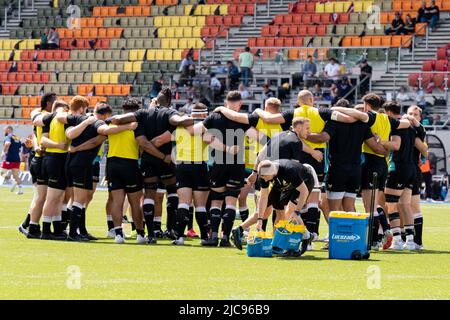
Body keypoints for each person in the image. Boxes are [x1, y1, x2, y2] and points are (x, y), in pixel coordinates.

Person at [110, 88, 194, 244]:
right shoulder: (169, 113)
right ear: (168, 102)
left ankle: (150, 234)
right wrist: (188, 118)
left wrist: (121, 120)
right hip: (167, 160)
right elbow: (181, 122)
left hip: (148, 160)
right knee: (172, 191)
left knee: (149, 194)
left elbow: (116, 119)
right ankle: (172, 230)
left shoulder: (142, 114)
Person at [57, 101, 135, 242]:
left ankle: (81, 230)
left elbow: (60, 117)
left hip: (75, 162)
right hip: (81, 163)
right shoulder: (99, 123)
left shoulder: (80, 118)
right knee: (80, 199)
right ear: (105, 115)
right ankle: (73, 233)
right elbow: (102, 134)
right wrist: (128, 126)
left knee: (82, 198)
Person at [190, 91, 259, 246]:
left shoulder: (215, 117)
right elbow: (258, 137)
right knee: (230, 203)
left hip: (218, 163)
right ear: (240, 103)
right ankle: (226, 237)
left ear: (226, 102)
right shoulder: (242, 120)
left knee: (216, 202)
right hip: (237, 164)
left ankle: (214, 236)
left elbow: (196, 132)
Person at [172, 103, 239, 245]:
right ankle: (204, 237)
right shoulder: (204, 127)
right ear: (204, 114)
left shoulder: (180, 125)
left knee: (183, 203)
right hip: (199, 167)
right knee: (200, 206)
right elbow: (210, 141)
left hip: (182, 166)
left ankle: (179, 238)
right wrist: (228, 149)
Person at [308, 99, 385, 215]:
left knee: (335, 210)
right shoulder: (362, 124)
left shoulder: (333, 122)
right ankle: (352, 233)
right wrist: (386, 149)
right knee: (350, 208)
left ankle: (336, 234)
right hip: (355, 171)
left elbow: (323, 137)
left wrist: (304, 135)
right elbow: (376, 148)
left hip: (338, 170)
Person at [382, 101, 426, 251]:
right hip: (411, 169)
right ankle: (410, 241)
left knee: (391, 205)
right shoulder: (413, 128)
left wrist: (380, 141)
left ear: (388, 112)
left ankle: (397, 241)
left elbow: (396, 145)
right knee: (405, 205)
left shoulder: (396, 125)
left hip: (398, 168)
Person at [103, 99, 147, 244]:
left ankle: (118, 234)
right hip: (130, 163)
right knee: (135, 201)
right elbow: (141, 145)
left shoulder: (112, 122)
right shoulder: (136, 124)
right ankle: (140, 234)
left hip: (113, 163)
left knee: (117, 201)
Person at [254, 159, 319, 256]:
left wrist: (297, 211)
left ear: (272, 172)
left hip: (305, 181)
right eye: (263, 178)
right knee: (284, 213)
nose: (265, 180)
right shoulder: (264, 175)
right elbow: (263, 197)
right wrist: (260, 219)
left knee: (290, 212)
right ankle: (307, 235)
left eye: (266, 178)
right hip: (290, 185)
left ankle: (293, 245)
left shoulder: (289, 170)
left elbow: (304, 191)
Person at [18, 93, 57, 238]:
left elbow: (34, 134)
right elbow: (35, 128)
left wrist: (36, 146)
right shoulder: (44, 115)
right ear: (48, 102)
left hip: (40, 156)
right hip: (41, 158)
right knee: (41, 196)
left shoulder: (43, 115)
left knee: (41, 195)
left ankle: (28, 224)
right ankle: (30, 225)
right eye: (55, 101)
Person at [400, 105, 428, 250]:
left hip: (413, 170)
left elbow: (425, 151)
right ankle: (404, 238)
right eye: (410, 113)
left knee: (413, 206)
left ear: (419, 117)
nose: (412, 116)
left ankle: (417, 241)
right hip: (399, 169)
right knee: (400, 205)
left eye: (415, 114)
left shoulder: (419, 131)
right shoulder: (401, 127)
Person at [1, 126, 23, 195]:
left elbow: (8, 143)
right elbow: (19, 147)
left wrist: (3, 152)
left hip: (9, 158)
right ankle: (20, 190)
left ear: (8, 129)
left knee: (1, 173)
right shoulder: (17, 137)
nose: (4, 131)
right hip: (17, 159)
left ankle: (12, 181)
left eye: (5, 129)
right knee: (16, 175)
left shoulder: (9, 136)